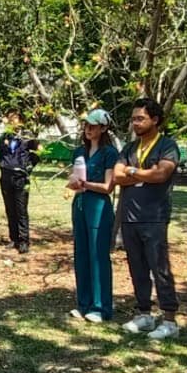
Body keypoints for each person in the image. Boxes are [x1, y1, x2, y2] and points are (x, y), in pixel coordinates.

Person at [114, 98, 181, 340]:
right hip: (130, 217)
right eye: (133, 119)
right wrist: (142, 174)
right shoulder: (130, 148)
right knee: (137, 267)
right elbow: (118, 176)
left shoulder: (167, 145)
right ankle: (144, 313)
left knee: (159, 267)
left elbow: (162, 174)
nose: (135, 123)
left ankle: (170, 319)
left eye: (140, 118)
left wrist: (133, 172)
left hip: (154, 216)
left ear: (155, 119)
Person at [67, 109, 119, 322]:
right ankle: (84, 303)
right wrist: (72, 183)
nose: (89, 129)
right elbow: (73, 176)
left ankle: (101, 306)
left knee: (98, 256)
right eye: (87, 125)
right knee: (81, 254)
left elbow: (108, 186)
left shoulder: (109, 153)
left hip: (98, 206)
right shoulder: (79, 151)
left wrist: (85, 184)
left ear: (104, 128)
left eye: (94, 125)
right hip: (79, 204)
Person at [0, 112, 39, 254]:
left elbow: (37, 153)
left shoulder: (27, 137)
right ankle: (14, 238)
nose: (11, 122)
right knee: (10, 209)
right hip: (6, 176)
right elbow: (2, 156)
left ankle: (24, 240)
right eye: (9, 120)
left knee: (21, 210)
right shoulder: (3, 138)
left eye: (14, 119)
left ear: (21, 121)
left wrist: (27, 168)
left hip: (21, 177)